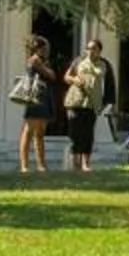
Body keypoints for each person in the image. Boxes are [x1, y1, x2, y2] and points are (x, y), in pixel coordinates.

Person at [65, 39, 113, 171]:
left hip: (92, 103)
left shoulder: (104, 64)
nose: (90, 51)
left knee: (88, 134)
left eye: (94, 48)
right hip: (75, 101)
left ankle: (85, 164)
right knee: (75, 133)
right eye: (88, 48)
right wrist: (74, 79)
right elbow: (66, 76)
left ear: (99, 51)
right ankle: (76, 162)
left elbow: (106, 80)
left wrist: (108, 102)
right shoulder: (78, 61)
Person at [15, 36, 60, 174]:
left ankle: (41, 164)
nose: (47, 51)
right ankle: (24, 165)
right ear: (38, 48)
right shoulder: (35, 60)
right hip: (35, 97)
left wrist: (49, 70)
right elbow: (50, 75)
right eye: (45, 48)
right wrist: (47, 70)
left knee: (40, 133)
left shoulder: (43, 61)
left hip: (44, 97)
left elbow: (52, 75)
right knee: (28, 131)